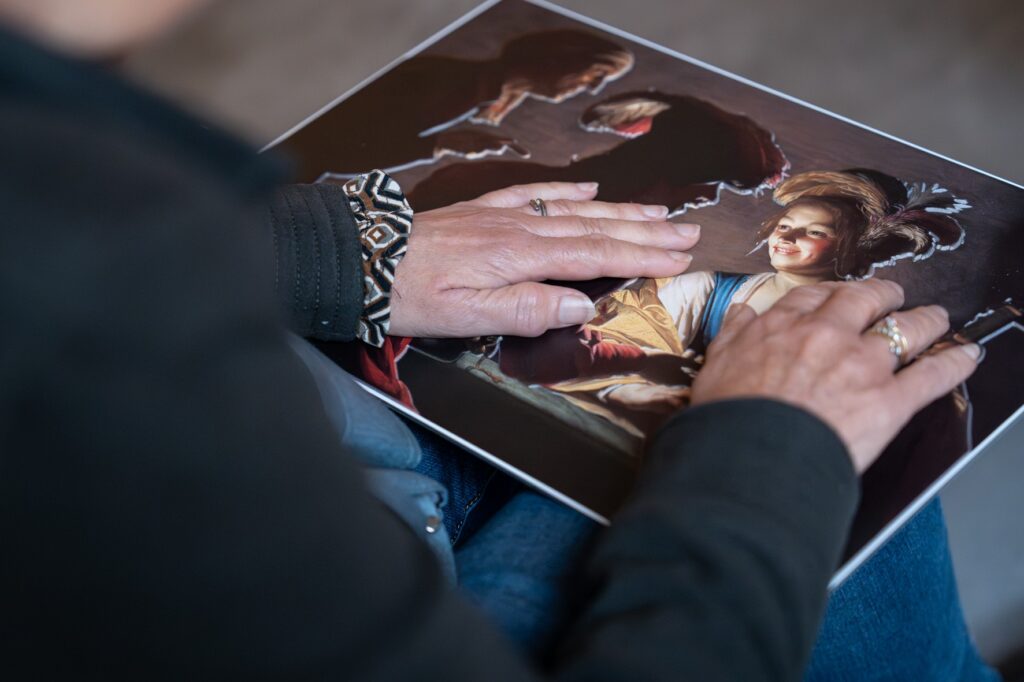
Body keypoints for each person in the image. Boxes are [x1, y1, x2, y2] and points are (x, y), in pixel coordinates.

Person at [0, 2, 997, 681]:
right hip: (409, 569)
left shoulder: (87, 227)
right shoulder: (95, 317)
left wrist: (324, 251)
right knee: (864, 469)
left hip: (354, 424)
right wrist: (768, 450)